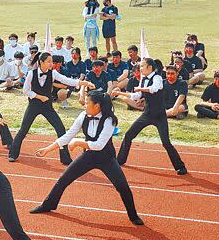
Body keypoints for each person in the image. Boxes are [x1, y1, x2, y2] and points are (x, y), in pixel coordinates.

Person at [30, 91, 143, 225]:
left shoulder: (109, 120)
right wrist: (48, 149)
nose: (84, 105)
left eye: (87, 102)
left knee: (122, 187)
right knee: (63, 179)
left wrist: (78, 143)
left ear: (97, 106)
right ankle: (48, 205)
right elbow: (69, 135)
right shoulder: (83, 115)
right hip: (89, 156)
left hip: (106, 158)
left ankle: (133, 216)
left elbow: (99, 145)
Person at [9, 52, 94, 164]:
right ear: (41, 62)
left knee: (61, 129)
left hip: (47, 107)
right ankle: (13, 154)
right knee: (23, 130)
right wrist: (39, 97)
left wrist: (84, 82)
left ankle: (65, 158)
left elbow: (67, 80)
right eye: (48, 61)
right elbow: (26, 91)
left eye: (51, 61)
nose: (51, 64)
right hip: (33, 105)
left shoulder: (53, 73)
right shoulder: (31, 74)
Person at [112, 58, 187, 175]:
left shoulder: (157, 78)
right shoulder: (143, 79)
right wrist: (120, 93)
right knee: (128, 135)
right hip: (147, 114)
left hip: (159, 115)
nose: (140, 68)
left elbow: (154, 89)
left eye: (142, 66)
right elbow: (137, 95)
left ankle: (180, 166)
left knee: (166, 143)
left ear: (150, 67)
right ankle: (120, 160)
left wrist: (140, 89)